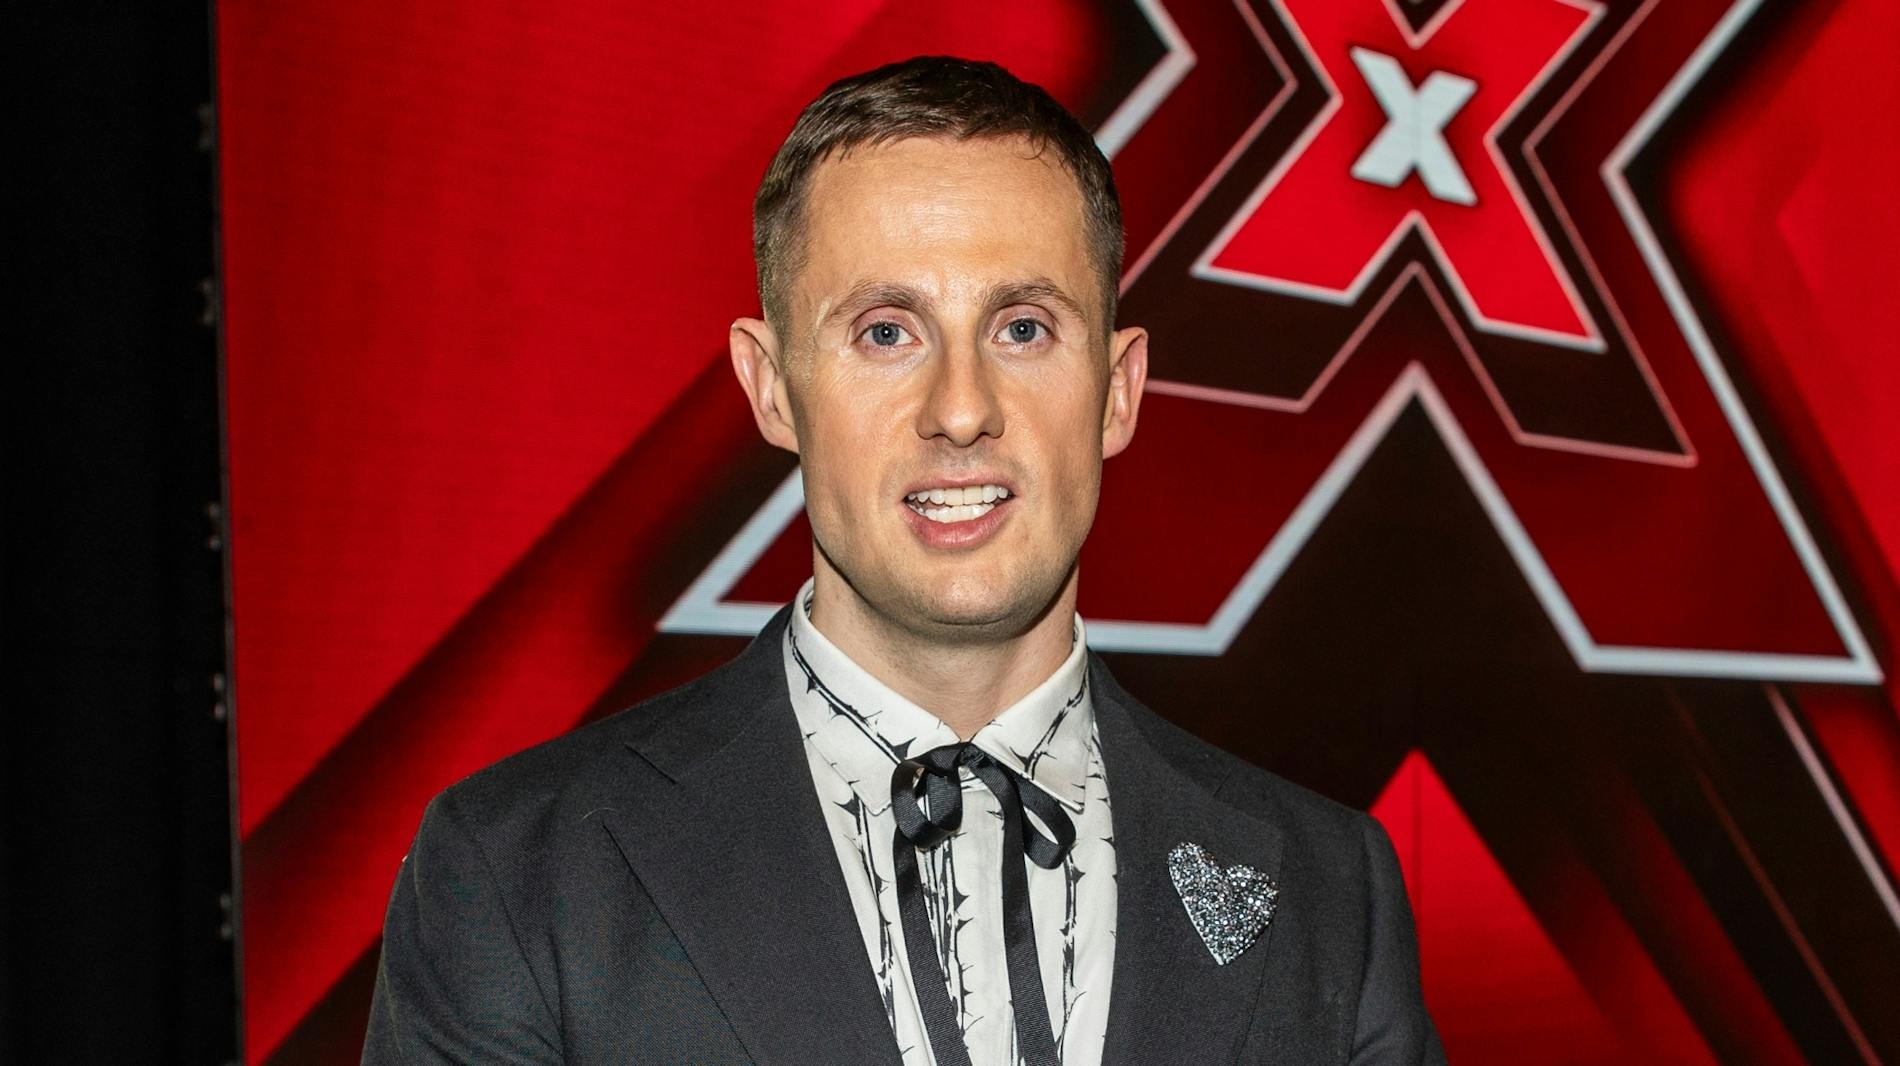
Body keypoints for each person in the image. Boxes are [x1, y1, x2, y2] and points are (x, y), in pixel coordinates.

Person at [363, 55, 1443, 1065]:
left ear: (1117, 392)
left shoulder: (1329, 891)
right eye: (887, 332)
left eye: (1023, 328)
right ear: (771, 387)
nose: (961, 409)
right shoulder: (518, 870)